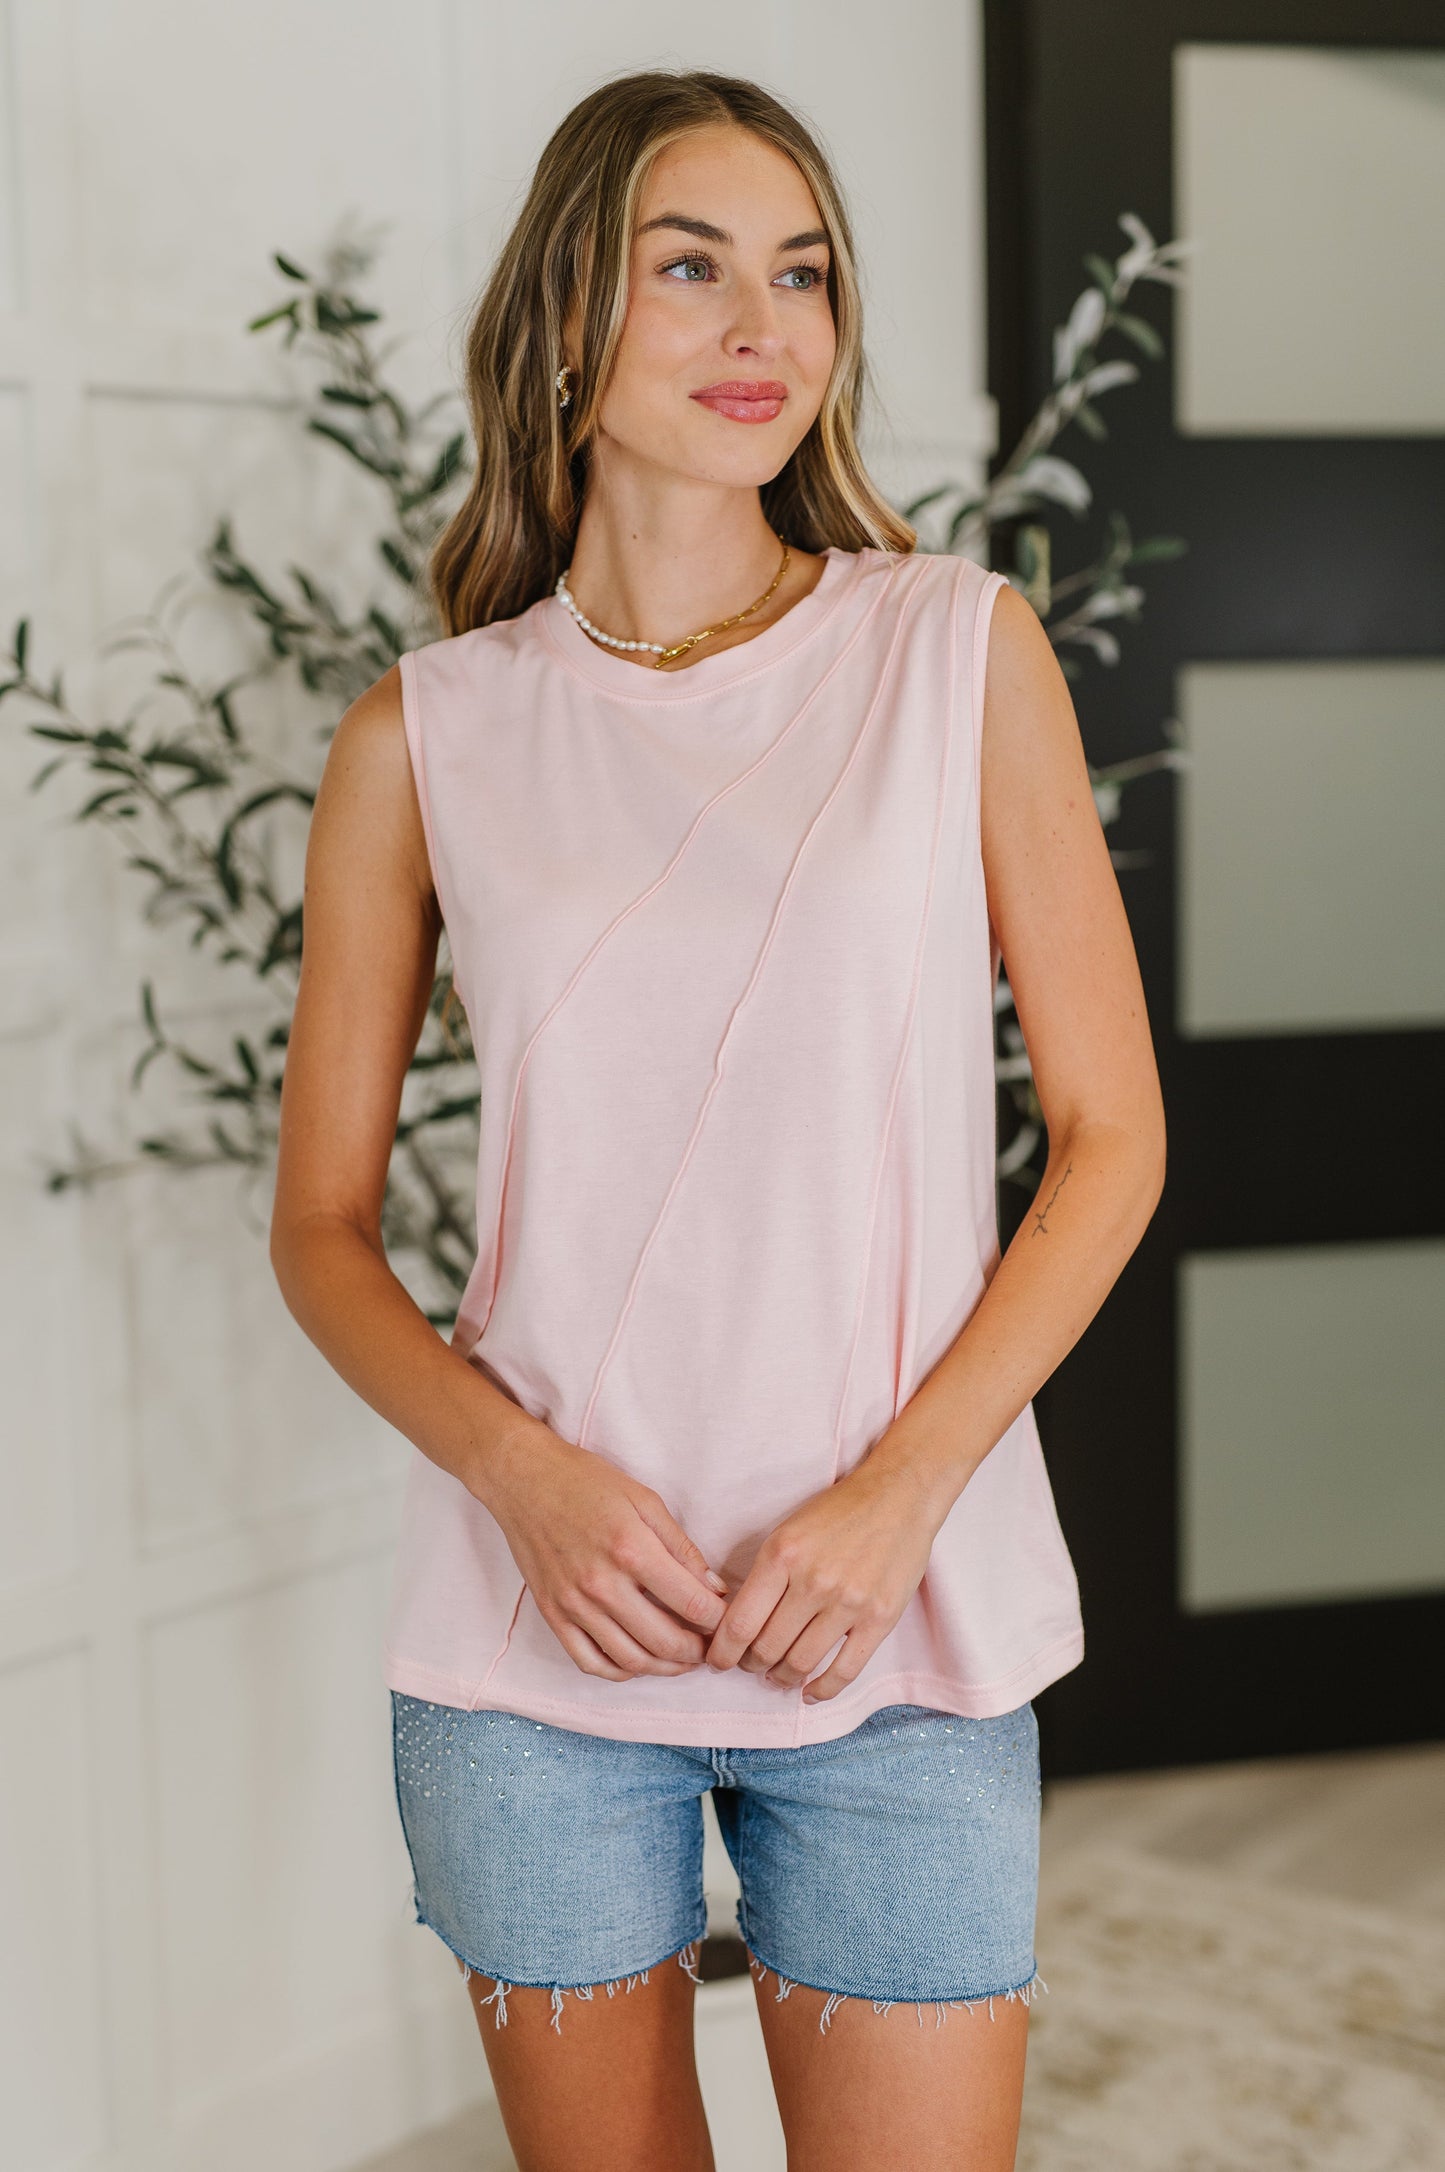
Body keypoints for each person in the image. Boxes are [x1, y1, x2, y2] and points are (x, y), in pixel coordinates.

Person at [269, 67, 1165, 2172]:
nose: (765, 327)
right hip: (539, 1635)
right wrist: (525, 1483)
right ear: (565, 314)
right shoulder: (426, 736)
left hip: (899, 1620)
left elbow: (1111, 1139)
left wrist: (897, 1502)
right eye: (692, 268)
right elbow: (318, 1229)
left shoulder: (953, 654)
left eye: (805, 273)